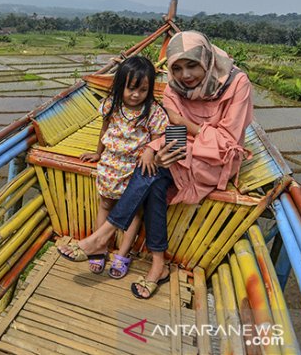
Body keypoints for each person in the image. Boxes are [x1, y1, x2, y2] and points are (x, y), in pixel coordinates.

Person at [58, 30, 253, 300]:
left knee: (151, 172)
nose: (185, 75)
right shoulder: (174, 87)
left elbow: (226, 141)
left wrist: (183, 126)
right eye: (178, 67)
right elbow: (170, 132)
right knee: (153, 176)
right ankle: (158, 266)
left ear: (206, 60)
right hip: (181, 150)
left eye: (192, 65)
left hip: (216, 160)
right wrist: (154, 148)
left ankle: (102, 236)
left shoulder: (236, 84)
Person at [78, 56, 169, 278]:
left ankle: (122, 253)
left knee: (133, 212)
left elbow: (158, 137)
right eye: (131, 88)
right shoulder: (111, 105)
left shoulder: (154, 112)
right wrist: (98, 153)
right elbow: (105, 129)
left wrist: (149, 151)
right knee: (106, 203)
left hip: (134, 168)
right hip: (110, 163)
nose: (136, 94)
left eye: (143, 89)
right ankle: (100, 247)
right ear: (121, 85)